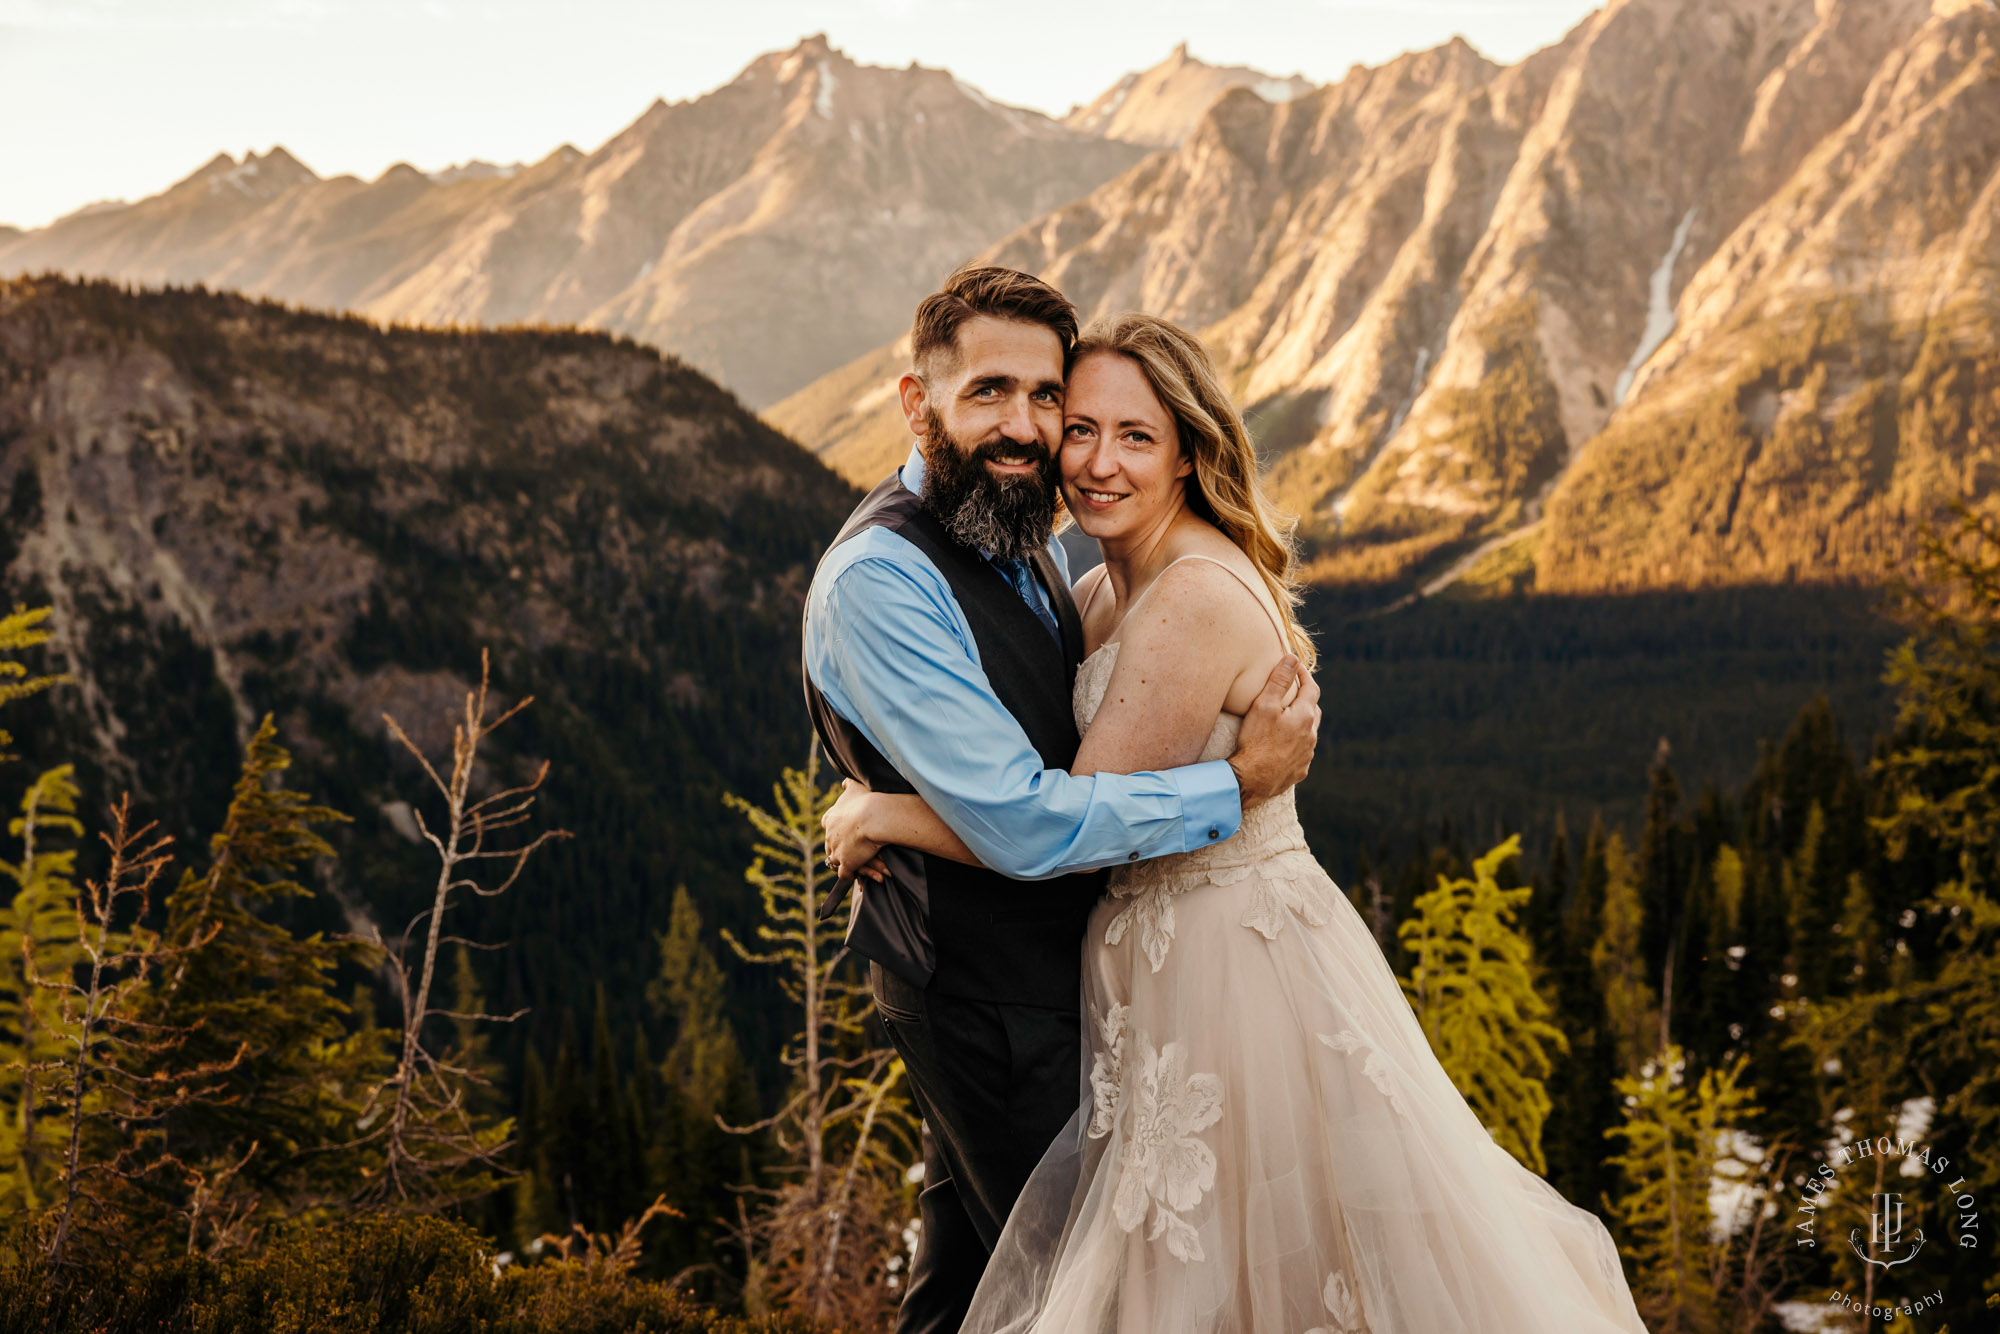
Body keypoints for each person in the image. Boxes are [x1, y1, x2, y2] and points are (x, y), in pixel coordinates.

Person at [822, 312, 1652, 1332]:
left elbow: (1055, 825)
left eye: (1134, 435)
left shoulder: (1187, 599)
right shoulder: (1090, 590)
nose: (1090, 459)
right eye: (1077, 426)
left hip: (1221, 968)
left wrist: (885, 811)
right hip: (1140, 967)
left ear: (1186, 452)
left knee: (1200, 1282)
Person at [800, 266, 1322, 1334]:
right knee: (1082, 1293)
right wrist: (1232, 784)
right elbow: (1031, 819)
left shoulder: (1017, 535)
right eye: (990, 391)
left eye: (1047, 399)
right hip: (983, 991)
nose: (1027, 427)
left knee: (972, 1289)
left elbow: (1039, 764)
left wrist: (884, 812)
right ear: (916, 402)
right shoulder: (880, 578)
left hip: (1069, 984)